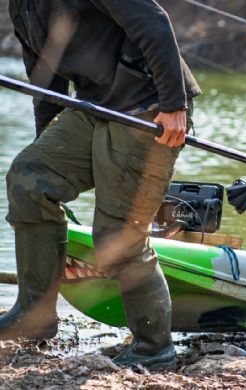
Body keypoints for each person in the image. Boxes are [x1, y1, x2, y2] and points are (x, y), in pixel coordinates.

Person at [1, 0, 201, 369]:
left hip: (147, 103)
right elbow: (48, 83)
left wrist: (174, 104)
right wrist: (48, 144)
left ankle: (153, 347)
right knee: (29, 179)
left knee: (118, 235)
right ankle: (36, 317)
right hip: (96, 106)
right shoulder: (20, 7)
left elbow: (154, 22)